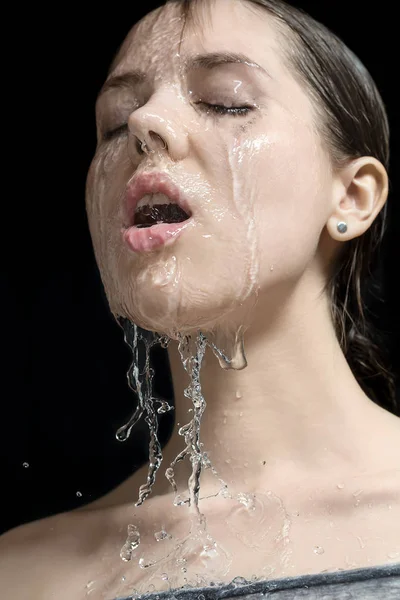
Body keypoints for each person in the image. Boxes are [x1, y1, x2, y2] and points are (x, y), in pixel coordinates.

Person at [1, 0, 399, 598]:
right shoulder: (23, 575)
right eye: (114, 122)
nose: (144, 123)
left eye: (226, 101)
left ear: (352, 197)